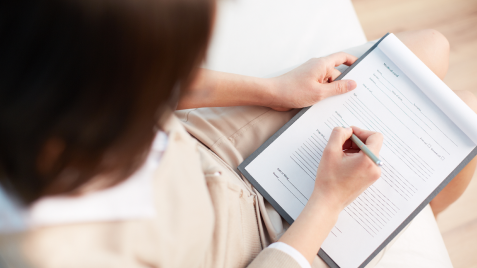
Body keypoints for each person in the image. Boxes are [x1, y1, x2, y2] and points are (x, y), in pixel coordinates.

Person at [0, 0, 475, 267]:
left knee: (428, 51)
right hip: (246, 245)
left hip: (212, 145)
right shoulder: (58, 254)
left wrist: (274, 91)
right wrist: (328, 202)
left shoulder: (38, 63)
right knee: (460, 138)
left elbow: (154, 81)